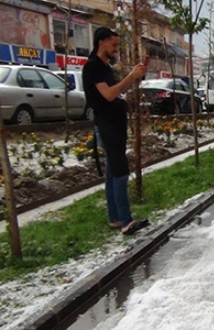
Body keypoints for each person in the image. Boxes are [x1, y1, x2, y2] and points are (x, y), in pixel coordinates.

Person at [82, 27, 149, 235]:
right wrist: (130, 76)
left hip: (114, 125)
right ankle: (126, 222)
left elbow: (116, 93)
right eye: (114, 45)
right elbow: (109, 95)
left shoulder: (104, 66)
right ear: (101, 42)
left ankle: (115, 218)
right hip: (107, 126)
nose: (116, 49)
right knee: (120, 172)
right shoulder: (93, 66)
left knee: (113, 171)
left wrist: (134, 79)